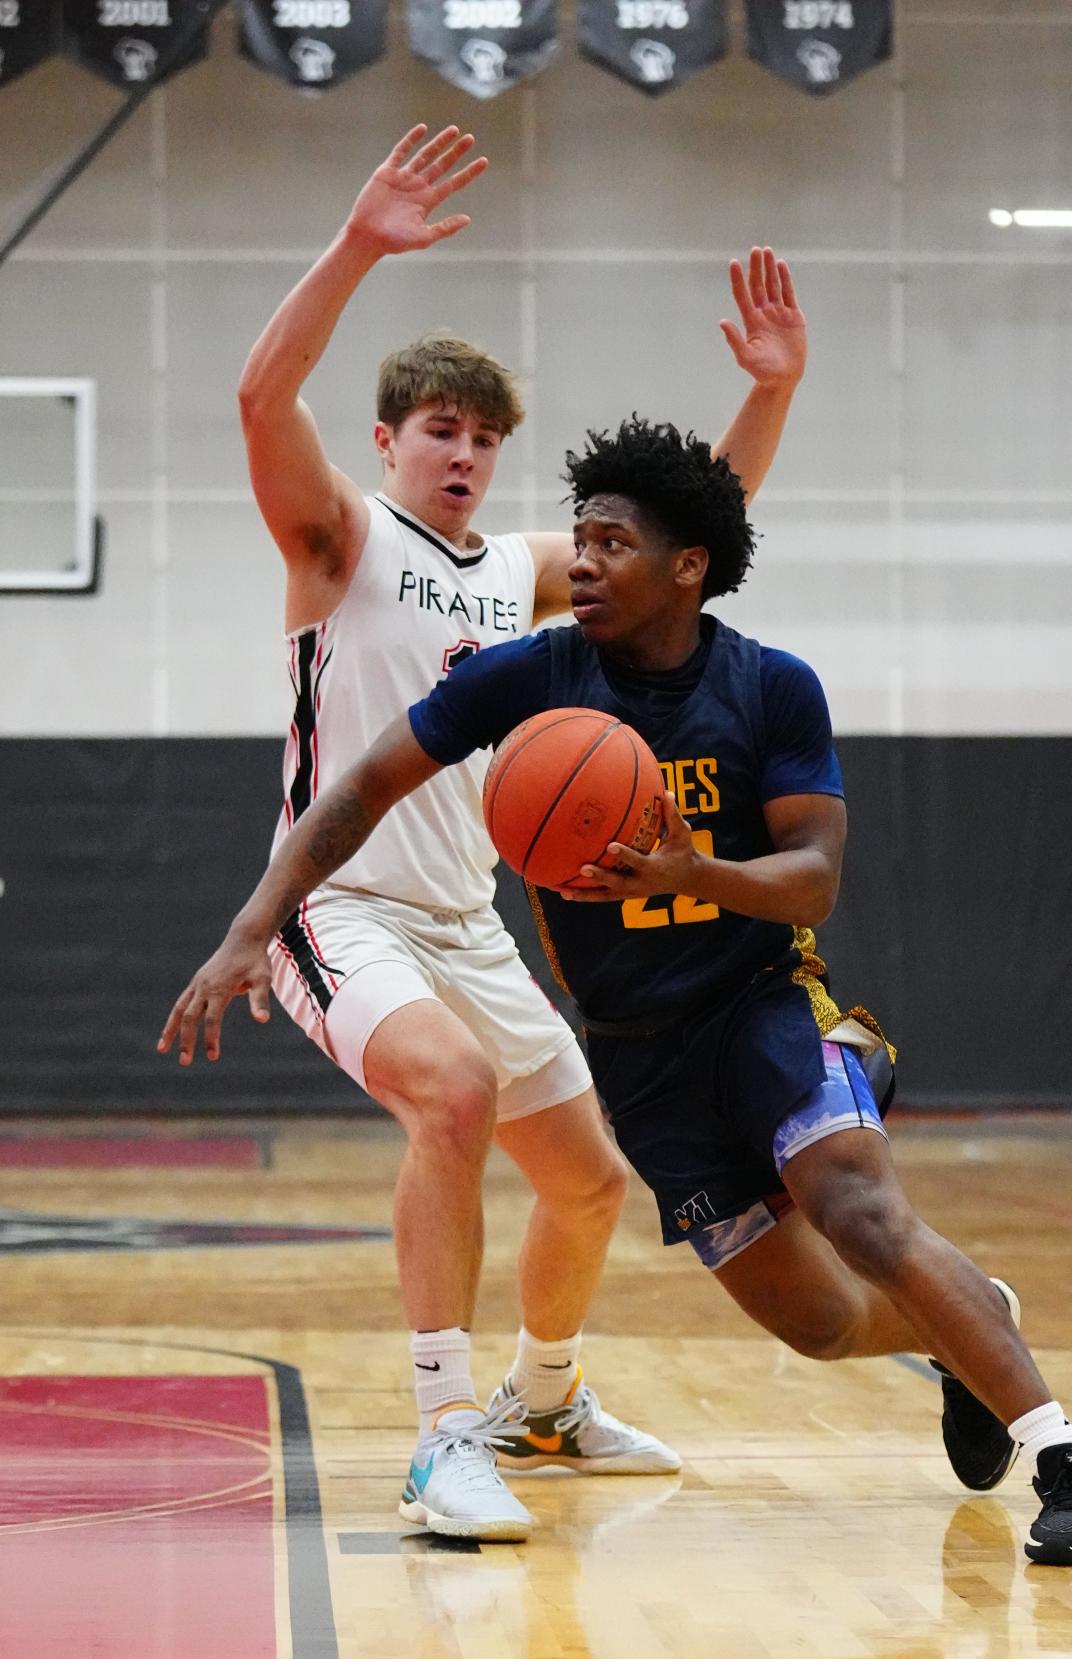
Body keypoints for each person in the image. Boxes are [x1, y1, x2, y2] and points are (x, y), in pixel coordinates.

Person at [163, 417, 1072, 1567]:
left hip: (765, 1003)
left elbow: (813, 883)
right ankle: (980, 1325)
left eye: (611, 542)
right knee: (819, 1323)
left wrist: (695, 873)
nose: (579, 562)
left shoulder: (772, 689)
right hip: (640, 1051)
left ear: (688, 567)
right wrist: (250, 926)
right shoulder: (530, 677)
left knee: (857, 1209)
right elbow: (361, 786)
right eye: (576, 539)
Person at [159, 124, 810, 1542]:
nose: (462, 452)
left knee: (586, 1180)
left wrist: (765, 396)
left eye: (482, 436)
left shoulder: (519, 574)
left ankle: (543, 1396)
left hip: (465, 916)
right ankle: (442, 1431)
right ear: (389, 441)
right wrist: (359, 245)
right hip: (342, 911)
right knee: (448, 1096)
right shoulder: (336, 540)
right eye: (438, 430)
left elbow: (692, 518)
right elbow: (260, 389)